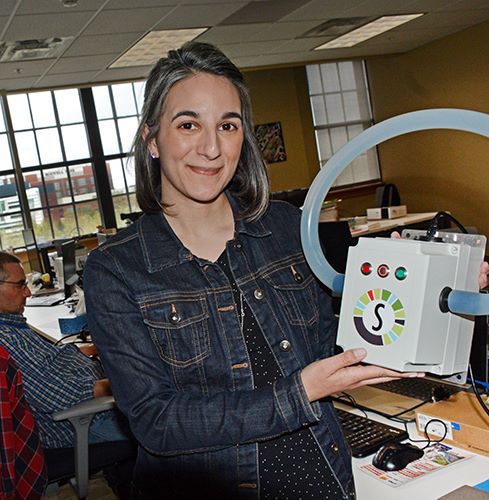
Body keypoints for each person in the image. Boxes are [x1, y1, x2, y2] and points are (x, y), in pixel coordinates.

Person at [84, 42, 464, 499]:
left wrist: (422, 293)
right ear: (151, 139)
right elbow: (157, 421)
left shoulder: (285, 227)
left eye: (228, 125)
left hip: (322, 480)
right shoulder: (117, 268)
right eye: (188, 125)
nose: (210, 147)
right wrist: (298, 393)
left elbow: (337, 344)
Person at [0, 250, 132, 451]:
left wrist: (89, 350)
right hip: (82, 423)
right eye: (20, 285)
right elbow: (58, 396)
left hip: (86, 410)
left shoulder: (2, 326)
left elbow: (47, 361)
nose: (27, 292)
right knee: (164, 418)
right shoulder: (1, 341)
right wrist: (124, 383)